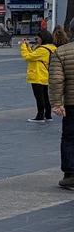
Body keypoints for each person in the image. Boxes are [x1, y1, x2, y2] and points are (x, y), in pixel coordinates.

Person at [48, 24, 74, 189]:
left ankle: (71, 174)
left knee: (69, 138)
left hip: (71, 103)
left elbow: (56, 79)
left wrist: (57, 103)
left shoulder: (62, 51)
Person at [20, 31, 58, 122]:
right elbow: (34, 55)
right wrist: (28, 47)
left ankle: (40, 115)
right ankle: (48, 115)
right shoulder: (51, 48)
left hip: (37, 75)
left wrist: (23, 46)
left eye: (38, 38)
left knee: (39, 97)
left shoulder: (42, 50)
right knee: (45, 96)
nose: (37, 40)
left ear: (43, 38)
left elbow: (28, 57)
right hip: (44, 74)